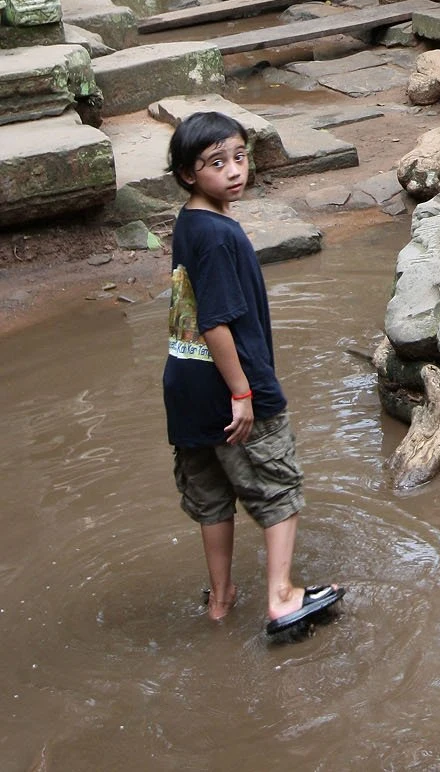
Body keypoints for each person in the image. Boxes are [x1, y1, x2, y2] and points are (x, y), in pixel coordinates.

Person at [163, 109, 343, 637]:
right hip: (231, 386)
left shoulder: (191, 222)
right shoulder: (219, 236)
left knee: (211, 496)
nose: (234, 171)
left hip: (185, 388)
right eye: (216, 163)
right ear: (187, 174)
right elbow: (217, 321)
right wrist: (243, 392)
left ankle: (220, 600)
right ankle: (283, 598)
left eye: (239, 158)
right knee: (279, 489)